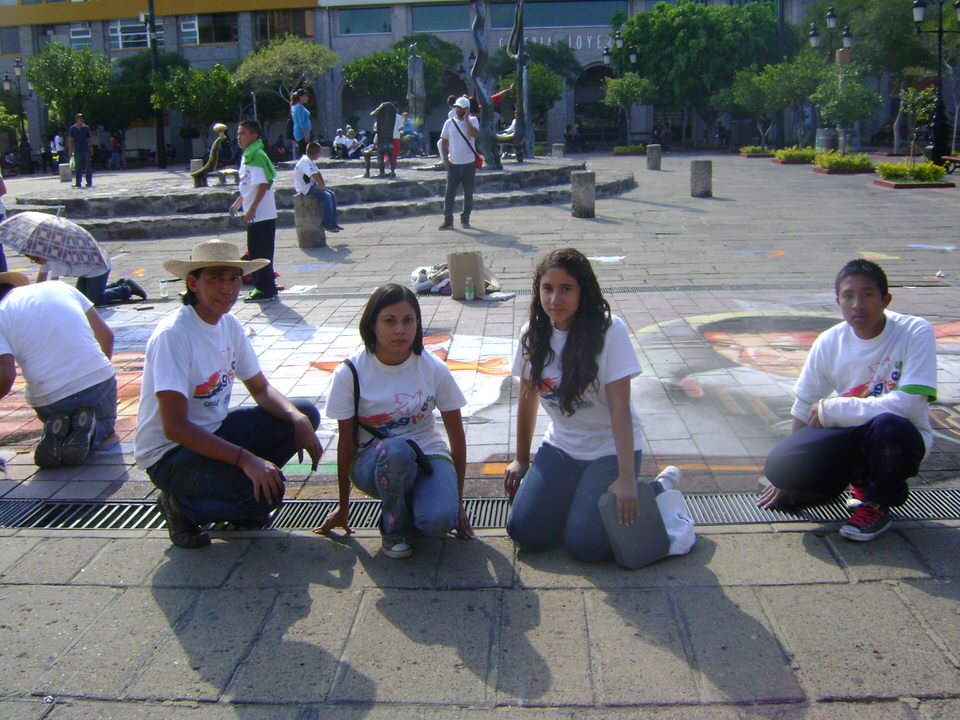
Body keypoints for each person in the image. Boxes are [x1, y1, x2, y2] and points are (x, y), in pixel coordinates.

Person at [135, 240, 323, 549]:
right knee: (263, 499)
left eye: (234, 278)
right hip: (170, 454)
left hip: (215, 430)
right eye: (216, 278)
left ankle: (238, 487)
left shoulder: (229, 324)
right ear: (193, 283)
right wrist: (246, 459)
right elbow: (175, 427)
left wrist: (297, 418)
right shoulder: (174, 336)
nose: (228, 288)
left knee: (303, 413)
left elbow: (260, 389)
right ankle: (179, 506)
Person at [757, 259, 937, 542]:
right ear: (837, 301)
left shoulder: (914, 331)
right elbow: (805, 405)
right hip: (853, 434)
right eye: (848, 296)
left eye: (867, 294)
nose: (857, 305)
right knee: (781, 466)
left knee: (889, 425)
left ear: (885, 299)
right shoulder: (830, 341)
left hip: (903, 437)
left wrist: (835, 408)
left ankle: (877, 503)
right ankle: (855, 483)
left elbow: (911, 404)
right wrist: (790, 475)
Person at [503, 249, 647, 563]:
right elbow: (527, 400)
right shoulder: (533, 335)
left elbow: (621, 408)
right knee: (525, 532)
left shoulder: (610, 331)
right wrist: (521, 460)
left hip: (610, 449)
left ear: (583, 291)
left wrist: (625, 478)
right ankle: (581, 498)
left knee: (585, 546)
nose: (555, 298)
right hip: (563, 446)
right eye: (547, 288)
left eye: (566, 289)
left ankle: (655, 494)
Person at [316, 283, 474, 557]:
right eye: (390, 321)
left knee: (439, 521)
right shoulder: (350, 373)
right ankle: (393, 530)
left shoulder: (433, 367)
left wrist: (457, 502)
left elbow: (456, 437)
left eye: (408, 320)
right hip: (373, 462)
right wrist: (343, 506)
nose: (400, 330)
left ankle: (414, 502)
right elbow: (345, 443)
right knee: (398, 449)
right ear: (372, 325)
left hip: (427, 453)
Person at [0, 271, 118, 468]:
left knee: (56, 414)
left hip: (51, 398)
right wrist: (98, 377)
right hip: (97, 384)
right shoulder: (62, 287)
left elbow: (6, 376)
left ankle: (57, 429)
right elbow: (107, 336)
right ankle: (94, 430)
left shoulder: (2, 313)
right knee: (107, 425)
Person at [229, 119, 279, 303]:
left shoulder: (256, 155)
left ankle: (265, 289)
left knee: (261, 253)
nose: (239, 137)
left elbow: (264, 184)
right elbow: (248, 185)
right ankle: (265, 287)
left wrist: (252, 209)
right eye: (238, 133)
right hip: (255, 213)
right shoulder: (247, 155)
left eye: (243, 133)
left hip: (262, 214)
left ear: (254, 135)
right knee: (256, 251)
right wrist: (238, 202)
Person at [28, 253, 147, 305]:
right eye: (34, 261)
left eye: (36, 259)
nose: (37, 263)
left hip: (98, 267)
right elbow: (40, 282)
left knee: (93, 301)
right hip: (86, 271)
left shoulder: (55, 262)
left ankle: (125, 288)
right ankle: (119, 284)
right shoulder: (45, 259)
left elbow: (53, 287)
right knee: (81, 299)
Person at [438, 96, 479, 230]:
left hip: (468, 163)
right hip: (454, 164)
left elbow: (474, 134)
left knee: (468, 193)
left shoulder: (473, 120)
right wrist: (445, 159)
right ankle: (448, 220)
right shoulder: (449, 123)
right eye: (457, 107)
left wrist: (466, 119)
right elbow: (444, 142)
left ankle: (465, 219)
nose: (458, 110)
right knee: (449, 193)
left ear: (467, 109)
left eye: (461, 108)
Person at [294, 142, 343, 233]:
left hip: (310, 185)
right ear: (315, 153)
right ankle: (327, 223)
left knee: (331, 194)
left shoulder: (310, 161)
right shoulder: (305, 161)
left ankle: (333, 222)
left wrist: (323, 185)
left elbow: (318, 173)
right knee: (326, 196)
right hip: (304, 188)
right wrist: (320, 186)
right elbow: (313, 175)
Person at [68, 113, 93, 188]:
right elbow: (71, 140)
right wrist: (70, 149)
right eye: (79, 118)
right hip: (77, 149)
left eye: (81, 118)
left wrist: (91, 148)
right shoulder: (73, 128)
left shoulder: (86, 128)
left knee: (88, 166)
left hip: (85, 149)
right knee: (78, 167)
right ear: (76, 119)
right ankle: (78, 182)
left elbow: (89, 139)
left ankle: (89, 182)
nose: (80, 120)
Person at [290, 89, 312, 158]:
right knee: (304, 153)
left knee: (305, 152)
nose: (307, 98)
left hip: (303, 132)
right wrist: (306, 135)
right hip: (301, 133)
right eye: (306, 96)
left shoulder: (299, 107)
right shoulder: (299, 107)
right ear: (300, 97)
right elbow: (301, 122)